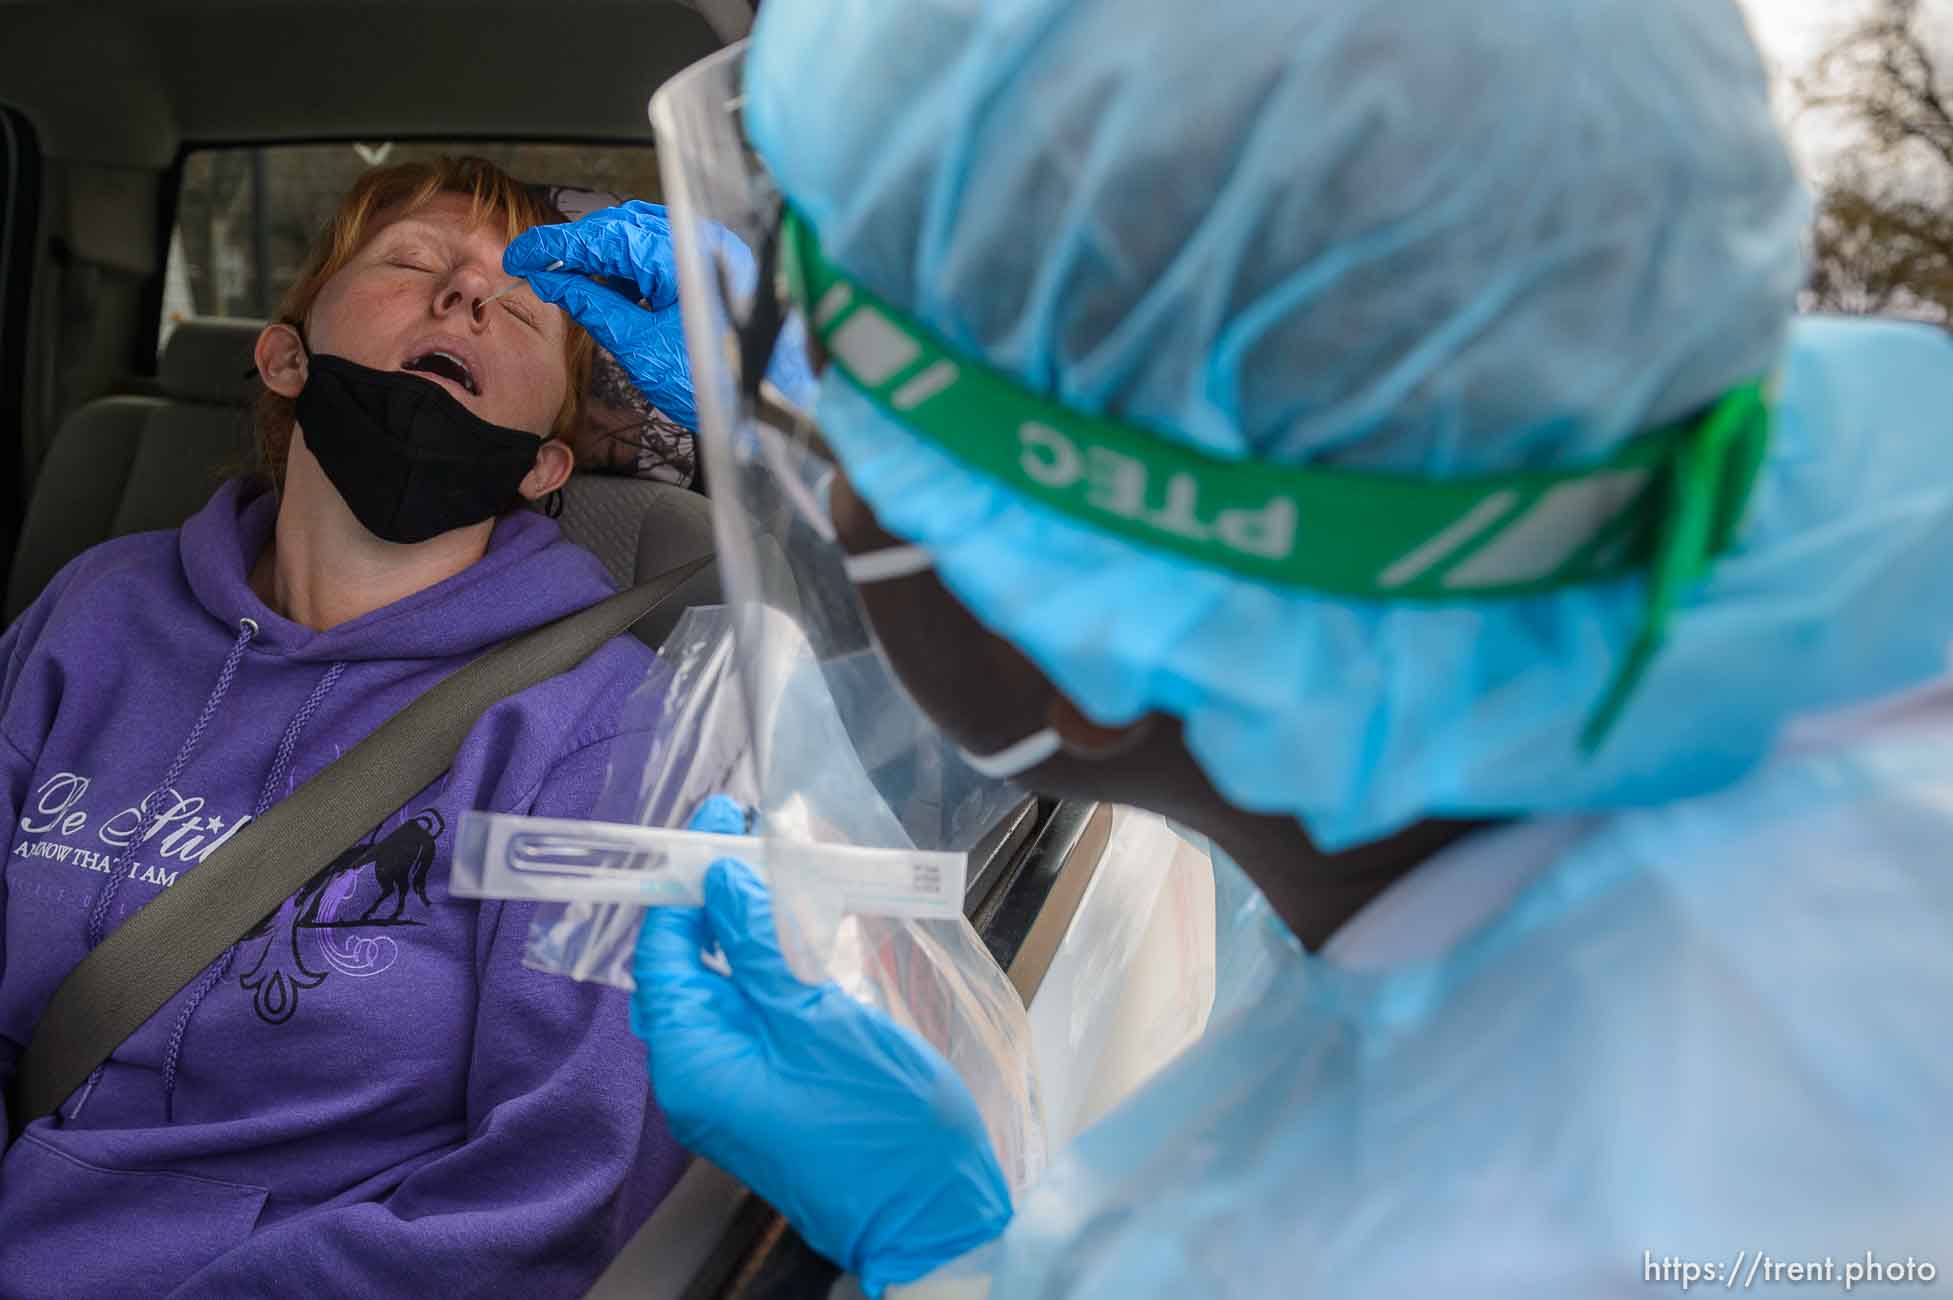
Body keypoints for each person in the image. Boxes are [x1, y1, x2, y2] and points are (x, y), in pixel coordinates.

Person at [516, 0, 1953, 1294]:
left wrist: (947, 1258)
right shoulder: (1563, 621)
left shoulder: (1452, 1243)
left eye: (855, 446)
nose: (821, 481)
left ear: (1075, 634)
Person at [0, 157, 686, 1297]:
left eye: (521, 304)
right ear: (284, 356)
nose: (468, 294)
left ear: (546, 463)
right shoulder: (95, 612)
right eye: (414, 262)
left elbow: (568, 1181)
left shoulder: (601, 725)